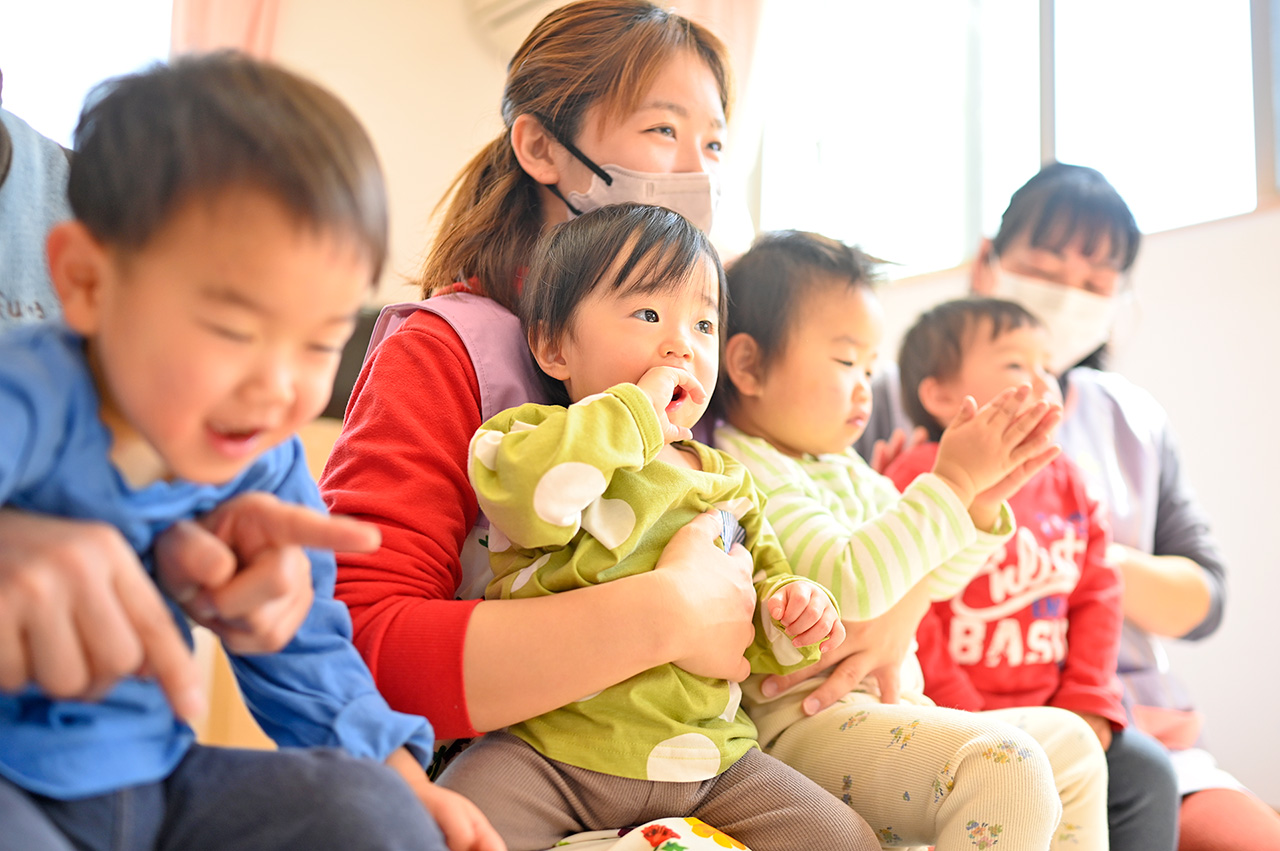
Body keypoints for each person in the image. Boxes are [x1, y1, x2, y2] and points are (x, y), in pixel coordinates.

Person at [0, 53, 501, 851]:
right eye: (233, 331)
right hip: (16, 786)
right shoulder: (29, 394)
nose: (274, 388)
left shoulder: (253, 452)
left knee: (368, 813)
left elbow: (303, 639)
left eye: (318, 342)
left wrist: (402, 777)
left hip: (157, 780)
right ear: (87, 282)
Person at [320, 0, 758, 753]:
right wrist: (668, 614)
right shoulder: (446, 349)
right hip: (503, 776)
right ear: (541, 148)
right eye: (663, 130)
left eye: (715, 143)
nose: (699, 172)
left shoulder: (701, 353)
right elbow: (358, 651)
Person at [860, 163, 1280, 850]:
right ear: (989, 261)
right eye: (1047, 264)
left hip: (1116, 712)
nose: (1067, 295)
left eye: (1094, 283)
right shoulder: (888, 402)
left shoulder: (1129, 421)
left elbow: (1205, 595)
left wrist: (1066, 549)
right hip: (946, 709)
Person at [436, 203, 875, 851]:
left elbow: (756, 622)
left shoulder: (727, 479)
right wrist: (635, 414)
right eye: (648, 315)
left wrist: (796, 611)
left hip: (709, 759)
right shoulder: (532, 438)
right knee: (444, 828)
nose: (681, 345)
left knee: (847, 838)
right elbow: (535, 499)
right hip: (547, 750)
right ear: (554, 346)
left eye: (703, 324)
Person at [713, 230, 1111, 851]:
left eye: (871, 368)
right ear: (748, 366)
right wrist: (949, 482)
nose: (866, 387)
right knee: (1004, 763)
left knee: (1073, 744)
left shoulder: (842, 466)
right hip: (805, 730)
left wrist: (979, 503)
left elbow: (933, 577)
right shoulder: (749, 472)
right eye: (846, 362)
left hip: (891, 714)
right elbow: (851, 586)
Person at [886, 296, 1179, 850]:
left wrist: (1088, 699)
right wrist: (965, 713)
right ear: (942, 395)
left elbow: (1098, 594)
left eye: (1049, 365)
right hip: (955, 717)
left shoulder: (1069, 480)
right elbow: (911, 611)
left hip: (1062, 710)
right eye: (1018, 366)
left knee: (1148, 774)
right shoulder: (918, 480)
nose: (1045, 380)